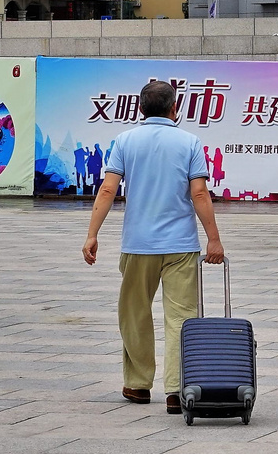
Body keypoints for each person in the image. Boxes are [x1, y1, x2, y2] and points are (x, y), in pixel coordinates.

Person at [82, 80, 225, 414]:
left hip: (138, 245)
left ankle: (138, 384)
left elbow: (107, 190)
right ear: (174, 108)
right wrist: (214, 239)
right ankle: (176, 389)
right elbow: (200, 194)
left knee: (135, 314)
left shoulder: (125, 140)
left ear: (140, 109)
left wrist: (92, 234)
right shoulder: (190, 142)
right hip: (181, 245)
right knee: (181, 317)